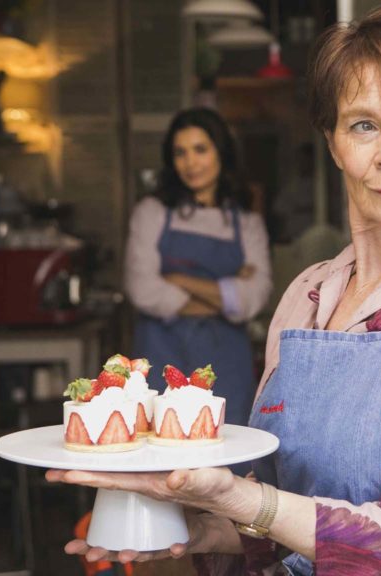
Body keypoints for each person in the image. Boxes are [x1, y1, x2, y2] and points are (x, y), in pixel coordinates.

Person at [51, 7, 381, 575]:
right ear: (334, 145)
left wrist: (244, 501)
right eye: (363, 125)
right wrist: (206, 527)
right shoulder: (309, 295)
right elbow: (281, 509)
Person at [124, 107, 272, 429]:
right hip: (161, 353)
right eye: (181, 153)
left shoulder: (247, 222)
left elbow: (254, 298)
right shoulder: (151, 212)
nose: (190, 163)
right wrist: (225, 293)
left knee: (225, 454)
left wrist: (177, 280)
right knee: (160, 451)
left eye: (200, 150)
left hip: (226, 362)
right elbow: (143, 289)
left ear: (221, 152)